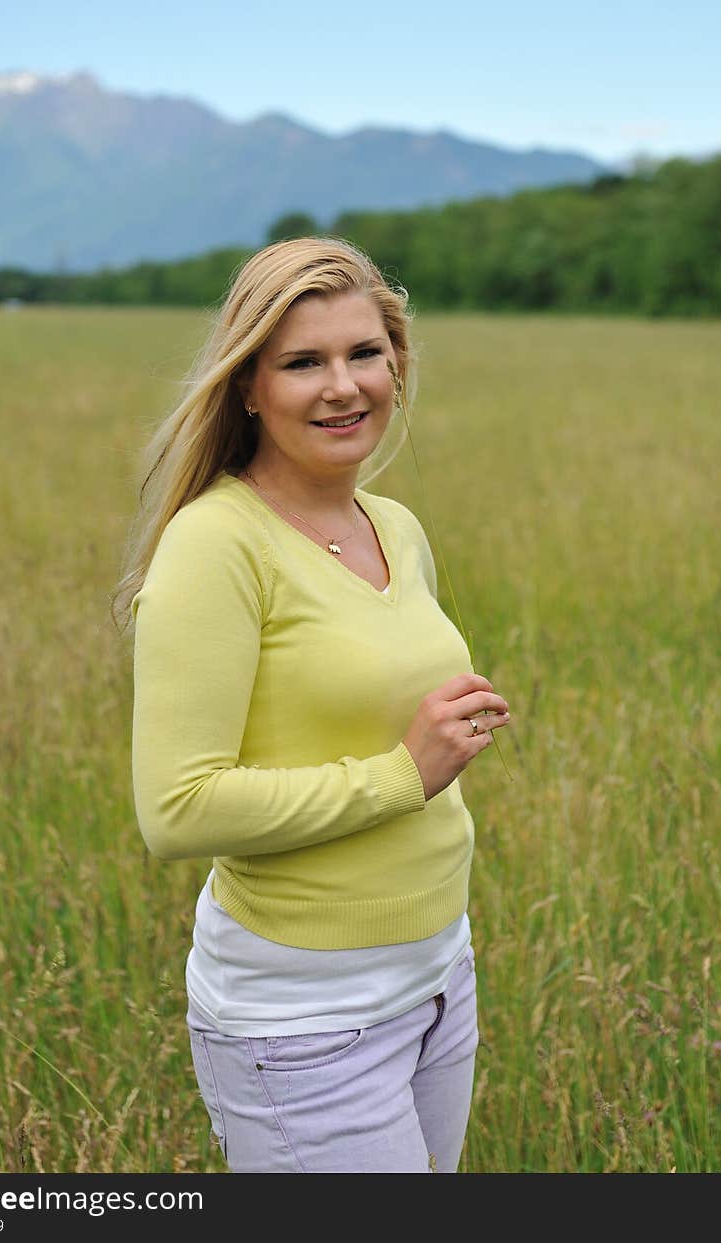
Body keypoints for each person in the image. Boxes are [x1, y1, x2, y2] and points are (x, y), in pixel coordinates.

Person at [114, 236, 511, 1174]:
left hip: (436, 977)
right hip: (305, 1019)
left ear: (398, 365)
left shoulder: (395, 526)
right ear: (249, 384)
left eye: (364, 353)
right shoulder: (217, 545)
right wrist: (403, 772)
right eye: (303, 362)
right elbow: (176, 809)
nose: (344, 385)